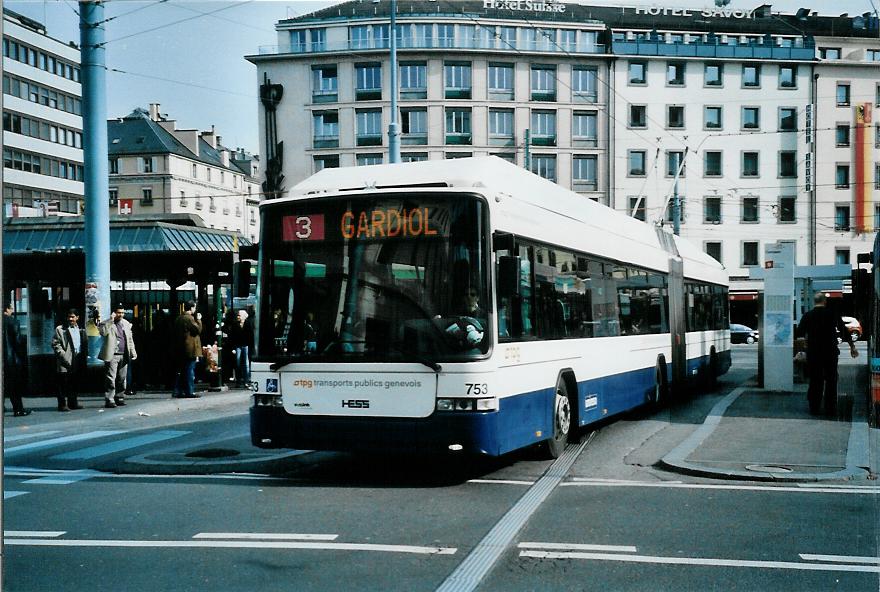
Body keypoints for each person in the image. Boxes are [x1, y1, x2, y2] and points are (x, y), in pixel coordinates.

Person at [795, 292, 858, 415]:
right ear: (825, 301)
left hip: (814, 354)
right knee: (831, 379)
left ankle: (814, 406)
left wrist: (805, 345)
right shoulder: (832, 314)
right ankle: (830, 407)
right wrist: (852, 347)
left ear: (814, 302)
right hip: (830, 353)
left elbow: (799, 334)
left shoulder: (808, 316)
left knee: (815, 380)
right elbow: (844, 331)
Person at [98, 304, 138, 408]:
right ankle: (109, 399)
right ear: (114, 313)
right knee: (111, 377)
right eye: (119, 312)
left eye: (122, 313)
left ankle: (120, 396)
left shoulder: (126, 324)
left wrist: (133, 352)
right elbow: (103, 332)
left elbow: (130, 339)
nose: (121, 315)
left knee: (122, 377)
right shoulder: (107, 323)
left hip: (124, 353)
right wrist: (110, 320)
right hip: (112, 354)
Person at [51, 309, 87, 412]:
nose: (71, 319)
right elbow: (55, 343)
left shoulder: (81, 329)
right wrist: (63, 355)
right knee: (62, 383)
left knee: (74, 381)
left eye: (73, 317)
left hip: (77, 357)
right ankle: (62, 404)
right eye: (69, 317)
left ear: (77, 317)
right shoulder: (60, 329)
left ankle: (73, 402)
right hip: (65, 359)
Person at [3, 302, 31, 417]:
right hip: (11, 359)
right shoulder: (13, 321)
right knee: (14, 386)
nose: (13, 310)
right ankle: (18, 409)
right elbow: (17, 342)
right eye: (11, 308)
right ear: (6, 309)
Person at [173, 300, 203, 398]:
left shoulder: (178, 318)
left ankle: (178, 391)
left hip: (180, 348)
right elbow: (197, 330)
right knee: (190, 370)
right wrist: (199, 320)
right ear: (191, 308)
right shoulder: (189, 319)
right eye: (194, 307)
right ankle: (190, 391)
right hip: (190, 349)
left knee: (181, 371)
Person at [228, 309, 254, 387]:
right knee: (238, 363)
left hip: (245, 345)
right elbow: (232, 337)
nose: (238, 316)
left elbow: (251, 336)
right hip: (237, 345)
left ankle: (246, 381)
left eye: (239, 315)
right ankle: (239, 381)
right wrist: (232, 348)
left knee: (246, 364)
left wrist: (251, 346)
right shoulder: (235, 324)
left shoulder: (248, 324)